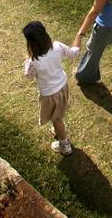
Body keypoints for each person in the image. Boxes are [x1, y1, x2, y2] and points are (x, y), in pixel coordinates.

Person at [22, 21, 80, 155]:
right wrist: (79, 36)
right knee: (58, 114)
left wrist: (27, 59)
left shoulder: (33, 62)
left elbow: (28, 75)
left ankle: (65, 145)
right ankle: (59, 128)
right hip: (63, 87)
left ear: (31, 43)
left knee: (56, 120)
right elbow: (73, 53)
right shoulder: (57, 46)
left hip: (49, 95)